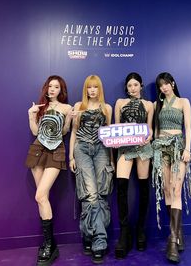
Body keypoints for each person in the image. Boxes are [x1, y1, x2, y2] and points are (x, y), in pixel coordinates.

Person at [26, 75, 75, 266]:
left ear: (61, 90)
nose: (52, 89)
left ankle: (49, 245)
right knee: (43, 198)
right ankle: (50, 245)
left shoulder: (66, 108)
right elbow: (35, 132)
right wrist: (31, 115)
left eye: (56, 87)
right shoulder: (40, 107)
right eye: (50, 86)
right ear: (46, 88)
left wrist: (69, 119)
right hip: (38, 150)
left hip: (56, 150)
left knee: (39, 196)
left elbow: (64, 132)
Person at [69, 75, 114, 264]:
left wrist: (111, 159)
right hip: (82, 149)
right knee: (90, 193)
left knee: (102, 193)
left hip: (102, 149)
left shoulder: (107, 108)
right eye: (89, 87)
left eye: (96, 87)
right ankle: (99, 241)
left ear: (100, 89)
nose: (92, 90)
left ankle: (88, 235)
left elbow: (110, 133)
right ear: (86, 89)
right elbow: (73, 132)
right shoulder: (79, 106)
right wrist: (71, 156)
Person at [151, 72, 191, 263]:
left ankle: (172, 242)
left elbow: (189, 127)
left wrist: (187, 148)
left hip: (178, 147)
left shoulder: (184, 101)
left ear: (172, 83)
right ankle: (178, 232)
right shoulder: (156, 104)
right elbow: (154, 131)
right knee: (167, 190)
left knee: (176, 190)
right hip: (161, 148)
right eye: (161, 85)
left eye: (166, 84)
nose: (164, 87)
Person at [114, 72, 154, 259]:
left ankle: (140, 229)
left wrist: (149, 137)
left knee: (144, 187)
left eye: (135, 85)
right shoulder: (120, 103)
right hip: (124, 147)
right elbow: (115, 127)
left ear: (141, 85)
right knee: (121, 186)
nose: (132, 88)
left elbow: (150, 128)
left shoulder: (148, 105)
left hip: (143, 148)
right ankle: (124, 233)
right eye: (129, 85)